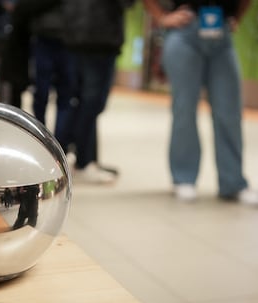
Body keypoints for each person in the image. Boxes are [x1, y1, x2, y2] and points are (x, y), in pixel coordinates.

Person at [142, 0, 258, 204]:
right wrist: (161, 16)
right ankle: (183, 178)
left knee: (230, 112)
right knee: (184, 109)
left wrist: (236, 17)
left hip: (222, 34)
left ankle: (233, 182)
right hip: (185, 31)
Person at [59, 0, 135, 184]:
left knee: (79, 101)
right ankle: (84, 161)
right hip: (100, 37)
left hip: (75, 35)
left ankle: (75, 157)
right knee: (92, 103)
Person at [30, 1, 74, 144]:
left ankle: (53, 143)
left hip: (64, 40)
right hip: (49, 38)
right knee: (45, 95)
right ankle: (45, 140)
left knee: (59, 97)